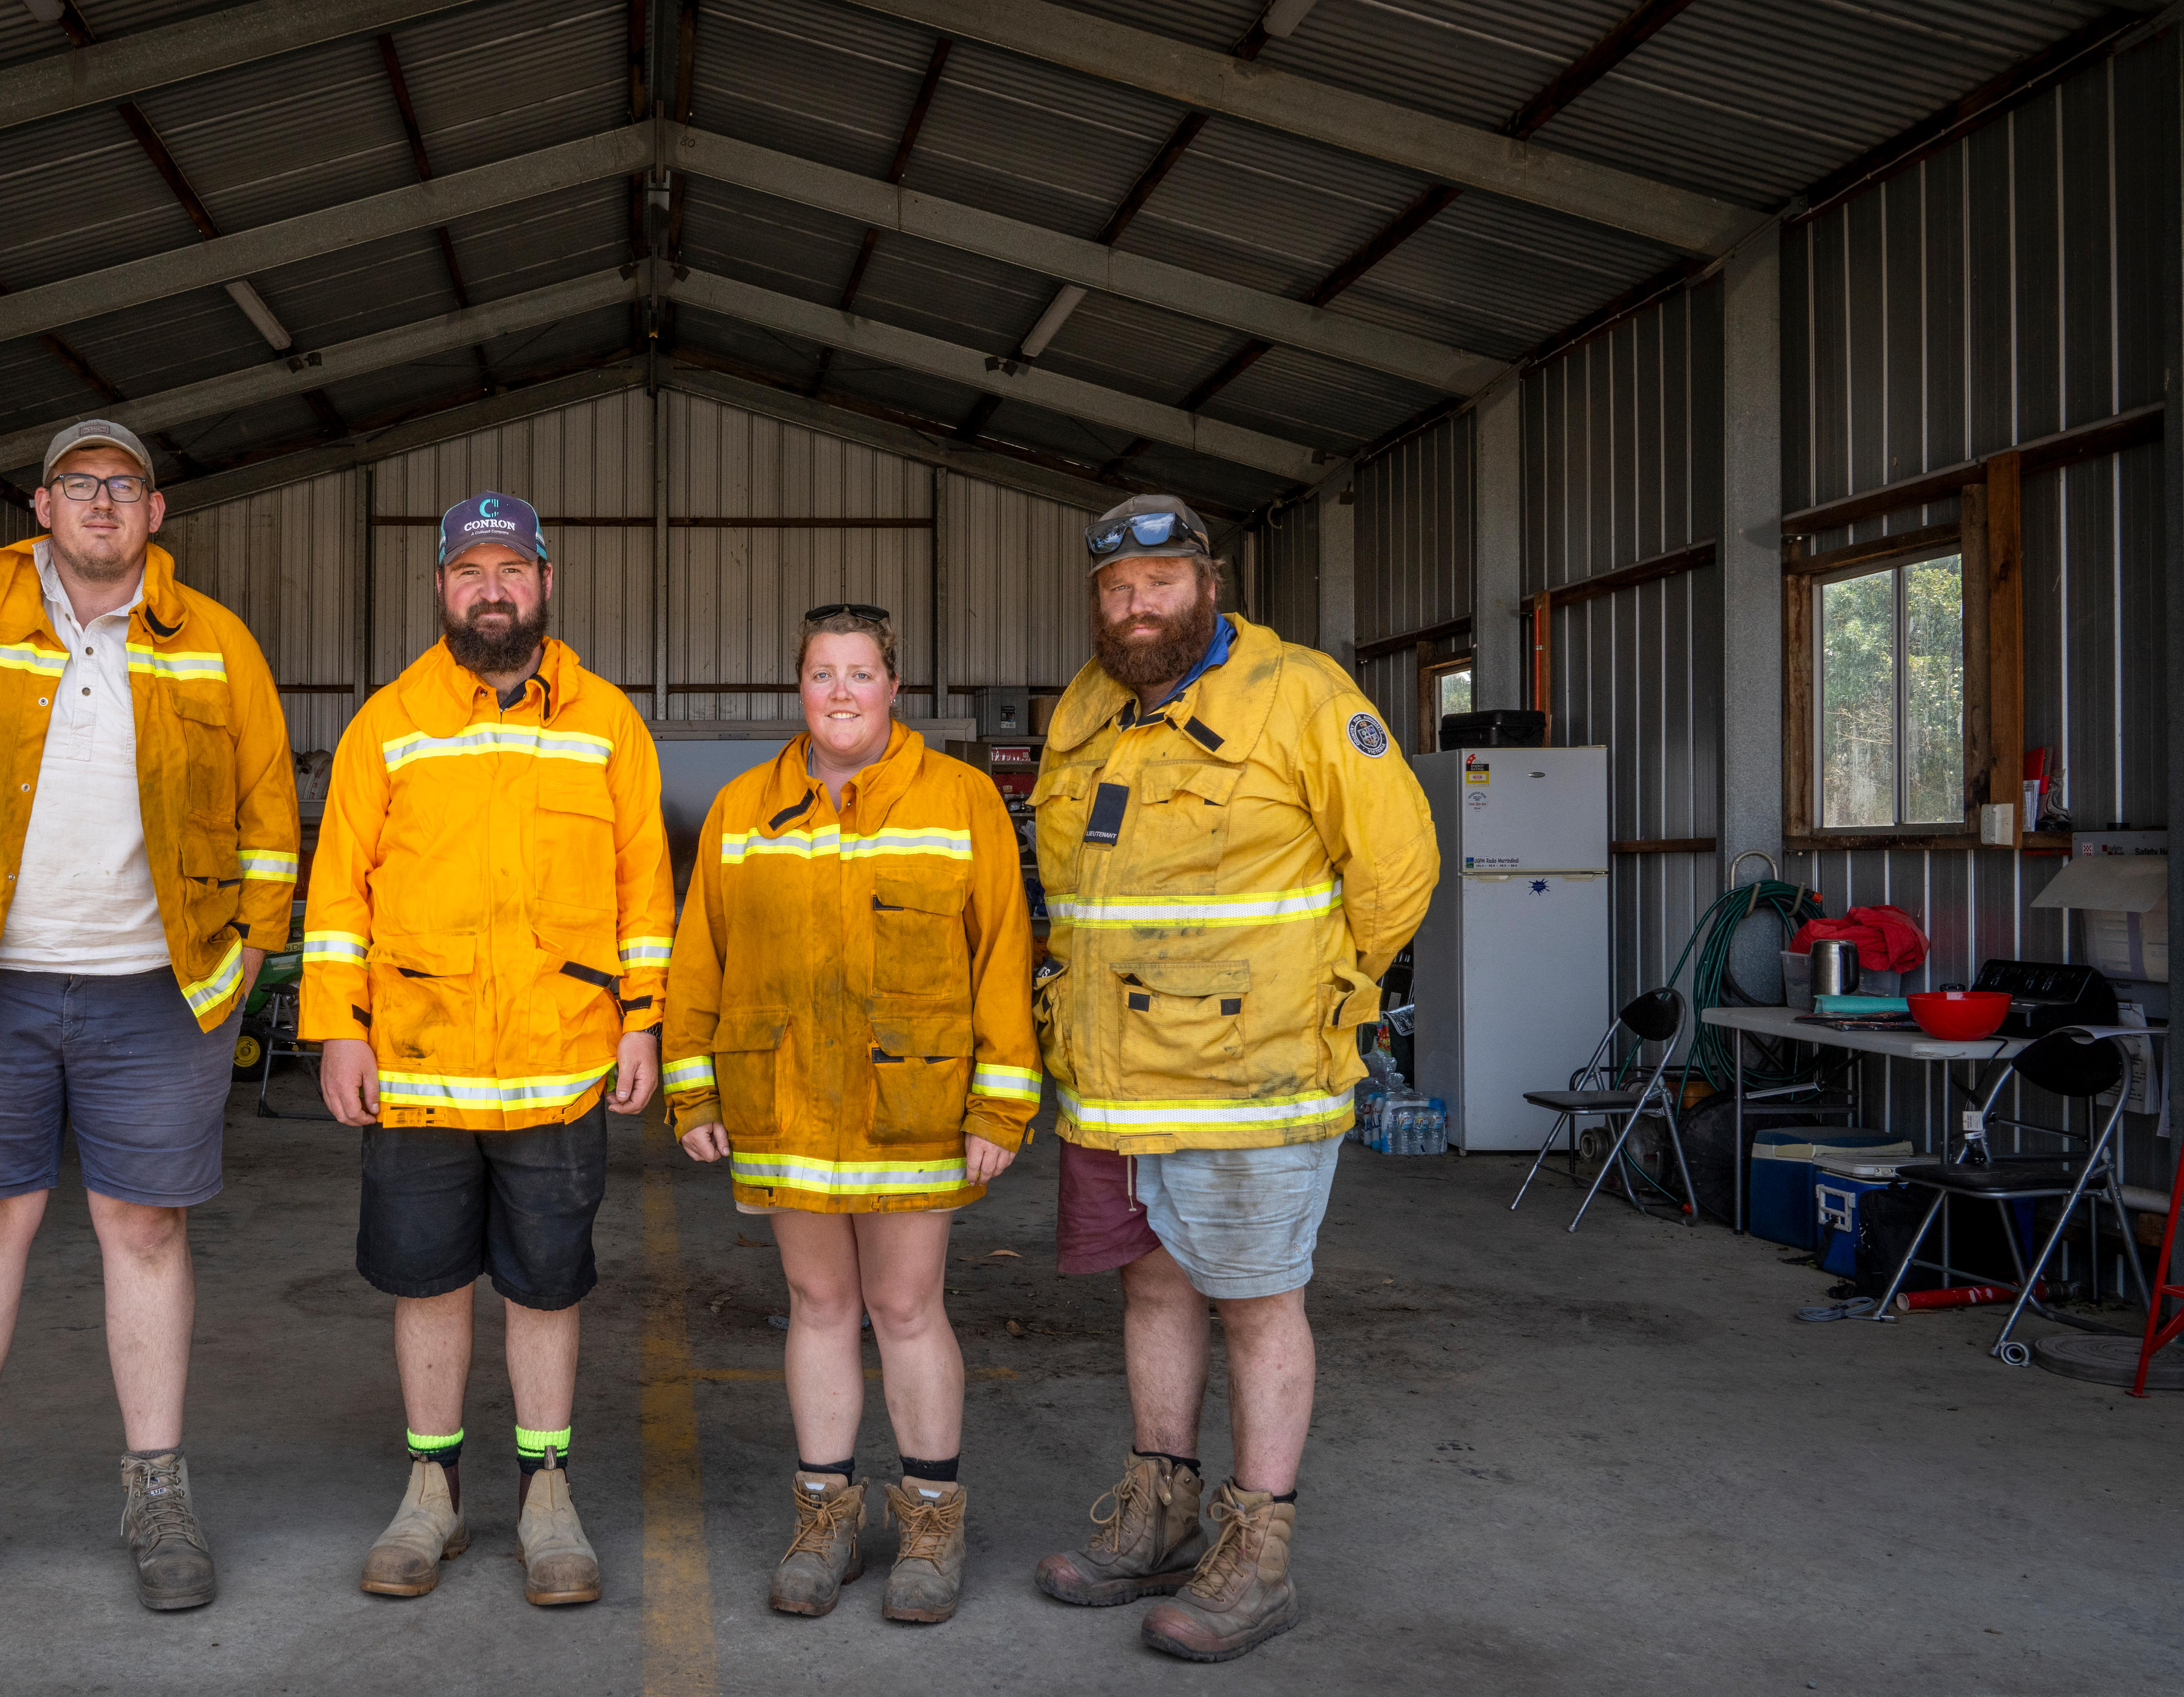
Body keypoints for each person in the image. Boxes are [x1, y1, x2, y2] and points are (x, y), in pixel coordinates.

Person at [0, 419, 299, 1623]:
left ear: (156, 516)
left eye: (126, 487)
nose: (103, 504)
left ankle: (158, 1495)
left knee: (144, 1231)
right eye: (80, 486)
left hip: (159, 990)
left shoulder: (215, 644)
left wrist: (255, 946)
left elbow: (268, 800)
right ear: (42, 508)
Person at [1027, 495, 1434, 1662]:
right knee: (1151, 1289)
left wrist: (1328, 993)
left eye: (1160, 582)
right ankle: (1160, 1512)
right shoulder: (1087, 708)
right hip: (1112, 1081)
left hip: (1253, 1078)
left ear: (1208, 583)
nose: (1137, 604)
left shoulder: (1302, 695)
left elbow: (1398, 869)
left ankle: (1258, 1556)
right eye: (1116, 588)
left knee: (1258, 1306)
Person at [299, 490, 676, 1607]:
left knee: (547, 1286)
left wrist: (643, 1017)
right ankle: (433, 1495)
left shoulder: (607, 722)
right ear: (443, 588)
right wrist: (335, 1029)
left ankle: (547, 1498)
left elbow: (643, 889)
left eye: (514, 569)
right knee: (427, 1283)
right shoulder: (388, 722)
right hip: (415, 1063)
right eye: (474, 572)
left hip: (563, 1063)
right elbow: (339, 895)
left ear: (547, 585)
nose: (494, 589)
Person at [664, 606, 1040, 1625]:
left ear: (894, 688)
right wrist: (691, 1085)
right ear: (799, 688)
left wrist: (1001, 1103)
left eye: (860, 672)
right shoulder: (746, 807)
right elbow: (700, 955)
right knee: (819, 1305)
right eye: (822, 673)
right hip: (784, 1099)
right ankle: (824, 1515)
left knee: (908, 1307)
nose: (840, 691)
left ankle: (929, 1519)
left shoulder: (962, 801)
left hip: (913, 1103)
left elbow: (1003, 955)